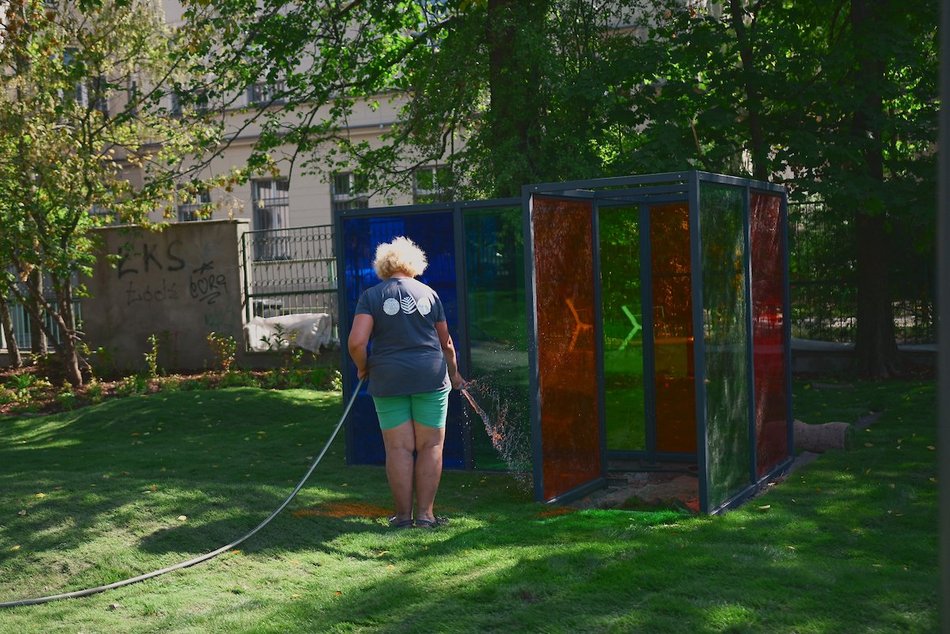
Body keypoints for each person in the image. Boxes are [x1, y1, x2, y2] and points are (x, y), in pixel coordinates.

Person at [347, 236, 464, 529]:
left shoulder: (371, 296)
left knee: (398, 449)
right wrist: (454, 373)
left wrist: (363, 367)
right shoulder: (430, 294)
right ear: (414, 263)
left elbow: (356, 343)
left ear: (383, 265)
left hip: (388, 377)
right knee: (430, 446)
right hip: (430, 375)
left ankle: (402, 517)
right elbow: (446, 343)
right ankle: (425, 516)